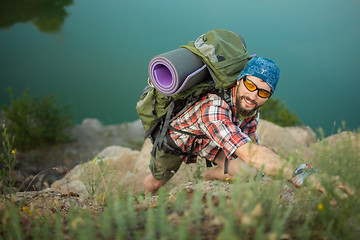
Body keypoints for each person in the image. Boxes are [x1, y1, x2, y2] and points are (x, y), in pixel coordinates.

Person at [143, 56, 295, 195]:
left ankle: (204, 179)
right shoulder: (213, 107)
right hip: (178, 141)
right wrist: (297, 174)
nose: (253, 96)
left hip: (210, 139)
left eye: (263, 93)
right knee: (156, 182)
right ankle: (147, 200)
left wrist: (264, 170)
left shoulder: (250, 105)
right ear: (239, 80)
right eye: (249, 85)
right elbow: (249, 152)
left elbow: (251, 144)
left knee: (248, 171)